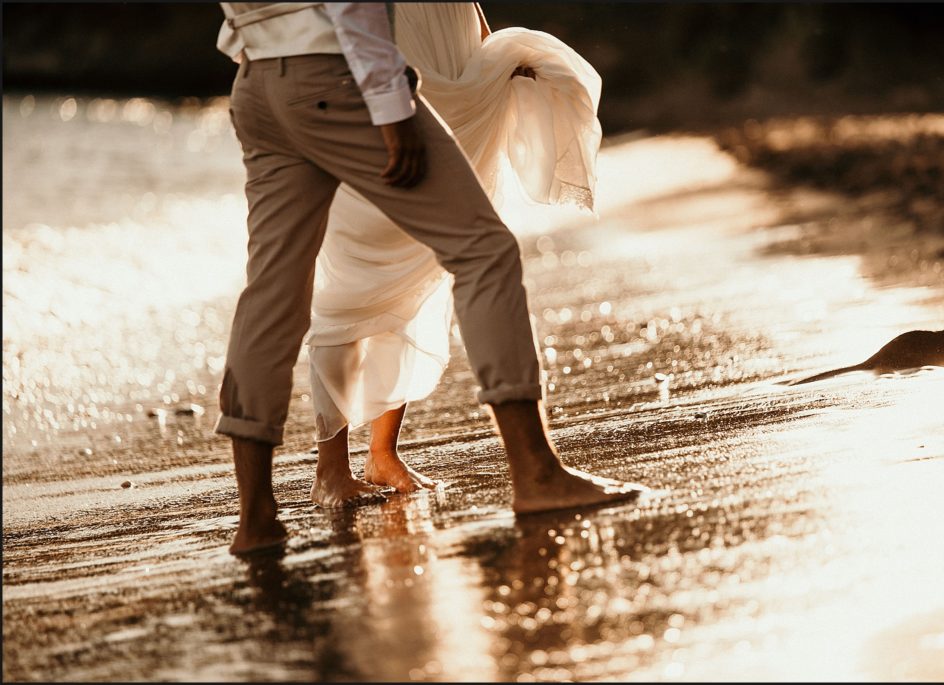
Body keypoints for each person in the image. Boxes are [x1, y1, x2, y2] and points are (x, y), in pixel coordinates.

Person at [215, 2, 646, 555]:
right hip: (336, 75)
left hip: (258, 83)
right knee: (483, 250)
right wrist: (392, 105)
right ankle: (536, 474)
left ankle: (256, 521)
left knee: (271, 295)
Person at [305, 3, 605, 503]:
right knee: (354, 280)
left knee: (427, 273)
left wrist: (490, 53)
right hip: (385, 82)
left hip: (456, 79)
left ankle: (383, 453)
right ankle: (329, 467)